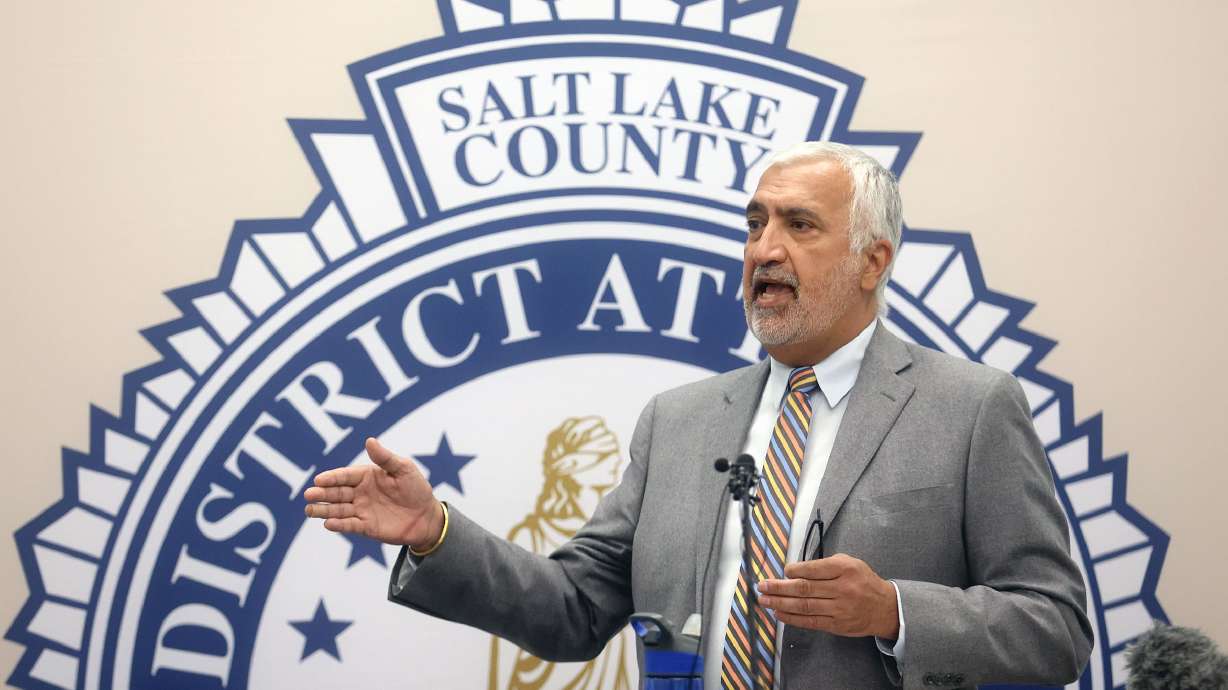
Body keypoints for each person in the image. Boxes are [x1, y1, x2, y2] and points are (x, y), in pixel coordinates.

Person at [304, 141, 1093, 689]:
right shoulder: (677, 421)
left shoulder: (969, 408)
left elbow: (1054, 628)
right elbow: (573, 611)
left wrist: (893, 611)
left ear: (873, 261)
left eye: (799, 225)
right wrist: (435, 530)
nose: (763, 250)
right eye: (755, 225)